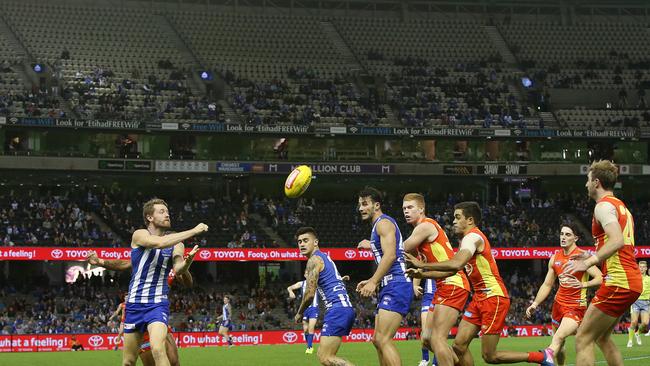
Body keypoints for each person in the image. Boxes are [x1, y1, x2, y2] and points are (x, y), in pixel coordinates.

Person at [407, 201, 553, 366]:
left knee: (490, 356)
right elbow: (452, 271)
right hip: (479, 298)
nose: (453, 221)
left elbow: (456, 264)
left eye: (457, 217)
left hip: (494, 297)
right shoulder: (466, 241)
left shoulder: (473, 237)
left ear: (470, 220)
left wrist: (422, 264)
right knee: (458, 346)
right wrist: (423, 274)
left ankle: (540, 357)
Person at [564, 160, 642, 366]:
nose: (586, 185)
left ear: (596, 182)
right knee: (602, 338)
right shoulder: (620, 207)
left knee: (583, 338)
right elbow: (618, 244)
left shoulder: (603, 206)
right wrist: (591, 253)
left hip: (619, 281)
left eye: (587, 180)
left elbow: (617, 240)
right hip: (629, 281)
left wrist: (590, 260)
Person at [122, 198, 207, 366]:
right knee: (128, 361)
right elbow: (160, 243)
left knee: (158, 349)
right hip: (134, 304)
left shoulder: (177, 245)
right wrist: (194, 230)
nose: (167, 214)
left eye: (167, 211)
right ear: (149, 218)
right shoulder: (140, 235)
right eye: (161, 212)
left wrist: (187, 262)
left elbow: (178, 269)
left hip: (157, 304)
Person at [86, 248, 195, 366]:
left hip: (157, 314)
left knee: (174, 362)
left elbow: (188, 283)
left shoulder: (169, 266)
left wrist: (185, 265)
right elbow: (123, 264)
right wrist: (100, 261)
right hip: (140, 312)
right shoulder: (145, 258)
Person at [401, 193, 470, 366]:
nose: (406, 212)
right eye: (404, 208)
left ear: (421, 209)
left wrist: (374, 245)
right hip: (443, 284)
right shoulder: (422, 230)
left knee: (438, 339)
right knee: (426, 339)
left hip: (453, 283)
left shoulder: (425, 226)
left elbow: (402, 249)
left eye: (410, 208)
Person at [526, 224, 603, 366]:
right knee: (560, 345)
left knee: (558, 337)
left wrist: (583, 285)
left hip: (575, 308)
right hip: (558, 306)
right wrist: (535, 304)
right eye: (562, 234)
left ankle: (544, 357)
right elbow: (547, 285)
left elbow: (600, 278)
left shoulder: (582, 257)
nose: (563, 237)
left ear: (576, 238)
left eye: (568, 234)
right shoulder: (555, 258)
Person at [356, 187, 413, 366]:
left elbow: (390, 256)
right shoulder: (378, 226)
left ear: (377, 205)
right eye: (359, 204)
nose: (360, 208)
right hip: (390, 285)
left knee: (383, 339)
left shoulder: (383, 223)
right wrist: (372, 279)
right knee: (377, 340)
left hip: (397, 284)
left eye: (365, 204)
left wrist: (374, 281)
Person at [294, 226, 356, 366]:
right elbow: (333, 279)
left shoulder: (314, 260)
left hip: (337, 309)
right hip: (345, 308)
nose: (302, 244)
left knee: (326, 358)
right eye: (299, 242)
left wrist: (300, 312)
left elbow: (309, 294)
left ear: (315, 242)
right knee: (326, 356)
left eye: (305, 240)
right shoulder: (325, 257)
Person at [288, 274, 321, 354]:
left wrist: (341, 279)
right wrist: (290, 292)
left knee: (311, 327)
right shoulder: (301, 283)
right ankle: (308, 346)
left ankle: (309, 348)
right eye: (307, 273)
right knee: (305, 329)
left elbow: (329, 283)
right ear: (305, 275)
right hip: (305, 309)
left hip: (314, 308)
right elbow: (289, 287)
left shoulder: (316, 283)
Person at [628, 261, 650, 347]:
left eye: (643, 267)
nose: (642, 268)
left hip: (646, 302)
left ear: (646, 268)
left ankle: (637, 333)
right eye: (640, 266)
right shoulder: (634, 277)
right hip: (635, 301)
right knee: (634, 321)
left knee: (645, 323)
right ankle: (630, 340)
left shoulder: (649, 279)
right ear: (638, 267)